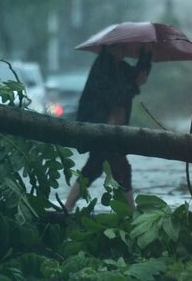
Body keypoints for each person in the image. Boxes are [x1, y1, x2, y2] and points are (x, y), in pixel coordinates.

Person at [64, 43, 152, 211]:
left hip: (112, 129)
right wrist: (129, 87)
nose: (123, 51)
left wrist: (145, 56)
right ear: (109, 48)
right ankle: (130, 213)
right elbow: (110, 95)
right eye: (119, 48)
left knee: (95, 167)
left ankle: (67, 207)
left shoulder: (121, 66)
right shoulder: (102, 68)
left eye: (123, 48)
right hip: (100, 128)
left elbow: (138, 78)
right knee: (116, 168)